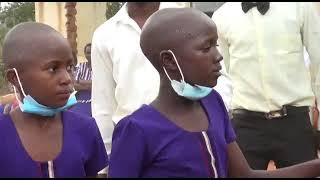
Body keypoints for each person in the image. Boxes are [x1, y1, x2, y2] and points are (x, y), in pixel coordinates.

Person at [108, 8, 320, 178]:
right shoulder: (136, 129)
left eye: (216, 45)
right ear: (169, 60)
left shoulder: (212, 103)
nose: (219, 56)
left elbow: (245, 175)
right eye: (206, 47)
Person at [91, 2, 233, 162]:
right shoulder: (105, 35)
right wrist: (104, 164)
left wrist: (212, 123)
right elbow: (103, 105)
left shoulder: (188, 18)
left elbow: (220, 81)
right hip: (135, 147)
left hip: (195, 136)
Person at [212, 2, 320, 169]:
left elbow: (318, 59)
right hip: (245, 123)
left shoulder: (300, 6)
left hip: (294, 121)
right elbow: (224, 73)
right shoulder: (222, 16)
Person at [0, 22, 108, 177]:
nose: (67, 79)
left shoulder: (86, 129)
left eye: (70, 67)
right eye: (52, 69)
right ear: (15, 78)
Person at [70, 43, 92, 117]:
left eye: (92, 52)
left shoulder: (101, 68)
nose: (90, 55)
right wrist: (89, 86)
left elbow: (99, 85)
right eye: (88, 52)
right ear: (85, 54)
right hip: (80, 97)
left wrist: (80, 81)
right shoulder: (81, 66)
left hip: (94, 98)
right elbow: (74, 85)